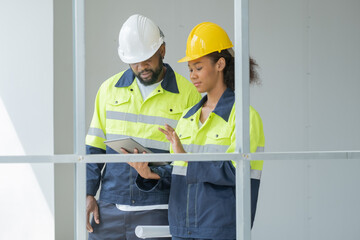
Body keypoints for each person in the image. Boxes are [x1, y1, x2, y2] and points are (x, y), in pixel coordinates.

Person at [132, 22, 265, 240]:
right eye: (190, 69)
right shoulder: (187, 118)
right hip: (183, 231)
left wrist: (187, 158)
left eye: (199, 67)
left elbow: (236, 172)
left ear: (220, 64)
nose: (193, 75)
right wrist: (150, 174)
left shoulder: (243, 117)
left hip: (221, 231)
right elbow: (180, 172)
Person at [85, 14, 201, 240]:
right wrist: (88, 193)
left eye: (147, 59)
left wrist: (154, 171)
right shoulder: (109, 90)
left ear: (162, 51)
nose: (141, 66)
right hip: (110, 209)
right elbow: (94, 149)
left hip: (159, 208)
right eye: (134, 61)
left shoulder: (188, 95)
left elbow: (191, 160)